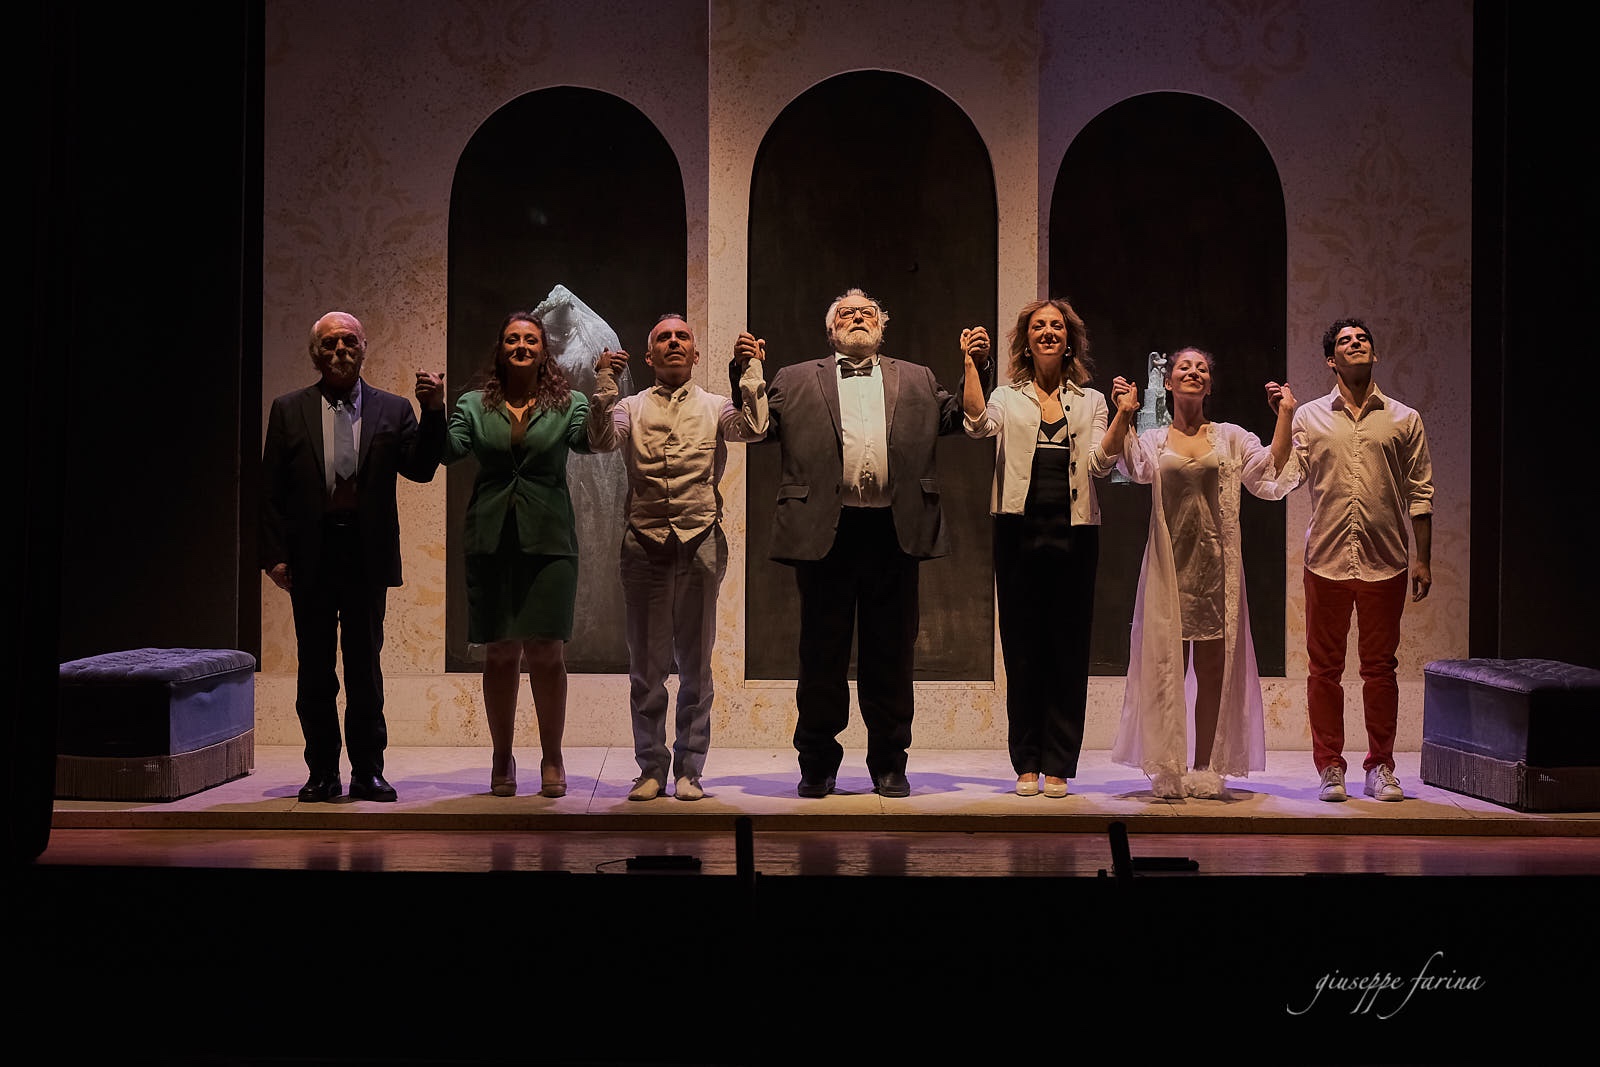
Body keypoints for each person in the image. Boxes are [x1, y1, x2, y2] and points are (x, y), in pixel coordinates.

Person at [736, 288, 972, 799]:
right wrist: (748, 371)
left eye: (868, 313)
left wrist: (976, 368)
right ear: (831, 329)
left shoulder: (918, 377)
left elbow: (960, 419)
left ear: (882, 328)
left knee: (892, 654)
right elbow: (757, 428)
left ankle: (889, 763)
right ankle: (817, 763)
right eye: (847, 313)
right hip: (825, 530)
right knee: (821, 655)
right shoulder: (795, 378)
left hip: (894, 529)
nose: (858, 318)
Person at [261, 311, 446, 803]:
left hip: (365, 555)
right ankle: (322, 772)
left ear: (364, 348)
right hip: (310, 556)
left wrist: (433, 411)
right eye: (329, 343)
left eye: (348, 341)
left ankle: (367, 771)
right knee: (315, 671)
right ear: (315, 354)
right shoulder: (288, 409)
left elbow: (422, 469)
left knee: (365, 669)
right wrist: (274, 555)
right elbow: (269, 490)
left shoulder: (393, 409)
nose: (340, 349)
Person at [1104, 347, 1299, 799]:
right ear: (1170, 382)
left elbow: (1269, 473)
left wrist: (1285, 415)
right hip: (1169, 568)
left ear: (1209, 385)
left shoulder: (1230, 437)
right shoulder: (1155, 439)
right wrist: (1124, 413)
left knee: (1212, 671)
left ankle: (1206, 765)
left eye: (1202, 369)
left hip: (1215, 570)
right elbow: (1126, 464)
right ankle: (1167, 766)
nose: (1193, 372)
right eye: (1184, 367)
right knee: (1165, 669)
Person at [587, 314, 767, 801]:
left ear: (694, 353)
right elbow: (599, 441)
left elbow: (754, 428)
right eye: (663, 338)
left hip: (700, 541)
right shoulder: (629, 406)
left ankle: (690, 769)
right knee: (646, 666)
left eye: (681, 336)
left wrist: (750, 369)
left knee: (696, 665)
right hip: (643, 542)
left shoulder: (716, 405)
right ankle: (650, 768)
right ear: (649, 356)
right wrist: (604, 383)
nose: (673, 342)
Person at [1269, 318, 1433, 802]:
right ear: (1331, 360)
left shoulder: (1404, 418)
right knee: (1324, 670)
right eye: (1345, 341)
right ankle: (1330, 767)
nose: (1355, 343)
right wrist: (1283, 417)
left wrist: (1423, 559)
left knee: (1380, 669)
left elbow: (1420, 492)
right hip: (1326, 558)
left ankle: (1380, 766)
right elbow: (1285, 476)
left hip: (1387, 559)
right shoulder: (1310, 416)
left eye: (1362, 339)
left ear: (1374, 354)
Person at [960, 298, 1113, 798]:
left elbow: (1100, 465)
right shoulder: (1007, 396)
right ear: (1026, 340)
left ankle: (1059, 762)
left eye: (1057, 326)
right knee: (1022, 648)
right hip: (1017, 530)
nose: (1048, 332)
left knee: (1069, 647)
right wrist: (971, 365)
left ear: (1070, 340)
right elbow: (977, 424)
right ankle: (1026, 760)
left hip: (1076, 531)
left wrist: (1125, 419)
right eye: (1039, 326)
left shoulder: (1091, 401)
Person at [444, 311, 595, 799]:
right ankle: (501, 756)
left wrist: (604, 396)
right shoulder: (472, 404)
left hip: (550, 541)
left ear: (544, 350)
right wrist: (429, 409)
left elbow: (588, 444)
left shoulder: (569, 403)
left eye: (531, 339)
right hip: (490, 541)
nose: (521, 346)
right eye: (512, 339)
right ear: (501, 348)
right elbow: (449, 451)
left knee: (547, 651)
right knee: (501, 651)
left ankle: (552, 756)